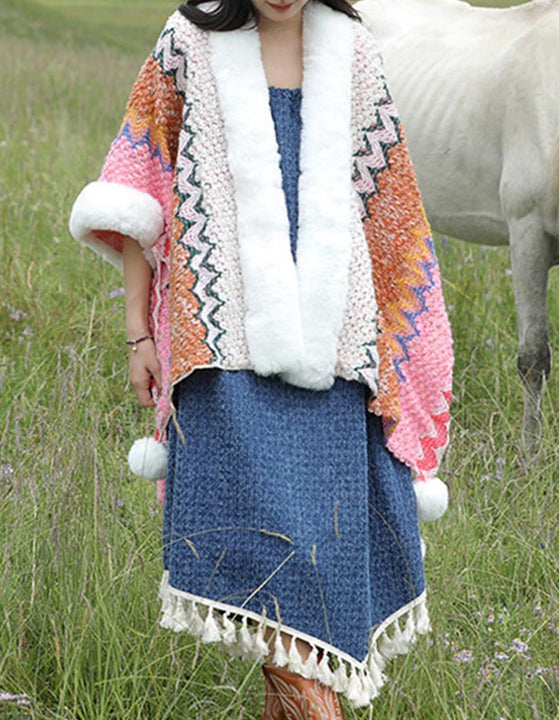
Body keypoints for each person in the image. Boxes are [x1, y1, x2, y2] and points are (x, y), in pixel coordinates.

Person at [69, 0, 453, 716]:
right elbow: (136, 190)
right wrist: (138, 333)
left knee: (318, 570)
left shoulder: (356, 52)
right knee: (269, 570)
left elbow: (393, 209)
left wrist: (407, 341)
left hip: (338, 356)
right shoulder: (187, 44)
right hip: (220, 355)